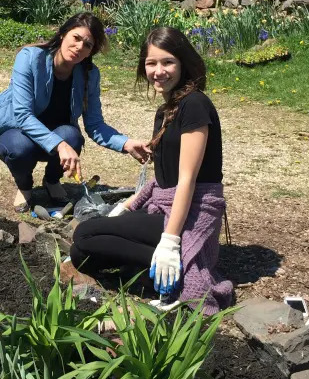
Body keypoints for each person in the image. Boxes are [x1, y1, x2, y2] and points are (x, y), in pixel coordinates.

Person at [69, 27, 233, 315]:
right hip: (168, 205)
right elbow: (164, 177)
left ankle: (179, 263)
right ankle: (155, 269)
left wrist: (170, 242)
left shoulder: (194, 105)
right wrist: (129, 204)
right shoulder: (168, 109)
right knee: (81, 254)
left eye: (167, 62)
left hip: (193, 210)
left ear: (183, 62)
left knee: (85, 236)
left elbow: (186, 181)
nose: (159, 71)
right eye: (151, 63)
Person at [0, 12, 150, 212]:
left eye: (87, 45)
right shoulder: (30, 58)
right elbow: (23, 115)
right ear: (63, 34)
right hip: (19, 132)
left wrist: (127, 144)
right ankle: (24, 186)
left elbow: (95, 125)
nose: (79, 47)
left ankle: (52, 181)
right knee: (19, 148)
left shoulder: (89, 75)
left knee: (72, 136)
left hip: (57, 136)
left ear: (90, 52)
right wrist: (59, 145)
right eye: (76, 38)